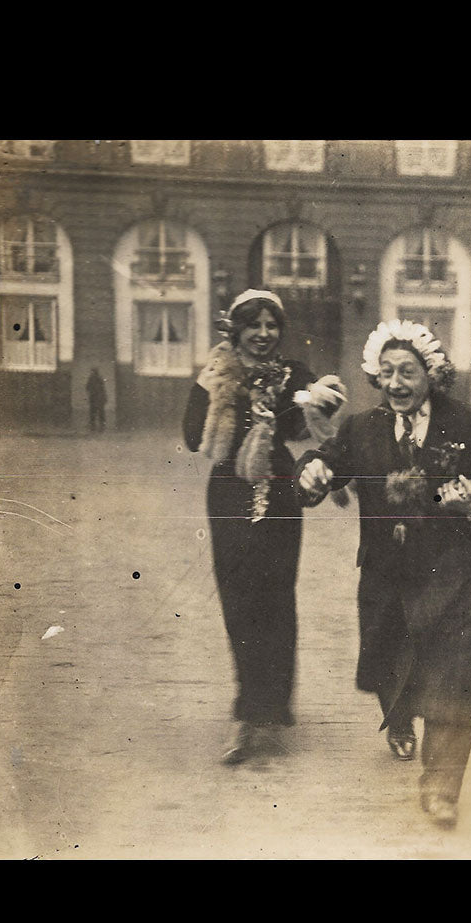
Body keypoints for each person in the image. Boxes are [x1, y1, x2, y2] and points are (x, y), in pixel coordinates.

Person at [296, 319, 471, 829]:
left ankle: (443, 786)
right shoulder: (363, 428)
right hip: (388, 574)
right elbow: (325, 462)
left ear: (433, 373)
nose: (396, 383)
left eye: (407, 372)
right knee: (391, 659)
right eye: (387, 373)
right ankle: (399, 719)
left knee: (454, 675)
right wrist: (312, 473)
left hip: (459, 573)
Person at [183, 289, 346, 765]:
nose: (263, 334)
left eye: (271, 325)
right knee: (238, 597)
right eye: (253, 325)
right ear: (236, 330)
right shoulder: (219, 371)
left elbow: (317, 420)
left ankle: (272, 702)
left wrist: (315, 400)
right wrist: (210, 385)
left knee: (276, 594)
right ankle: (247, 706)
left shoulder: (294, 372)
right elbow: (193, 436)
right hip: (230, 490)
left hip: (279, 491)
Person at [86, 367, 107, 432]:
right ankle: (100, 424)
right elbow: (103, 389)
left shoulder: (91, 378)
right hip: (98, 398)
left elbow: (87, 387)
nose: (91, 373)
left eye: (92, 372)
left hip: (95, 397)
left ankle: (94, 424)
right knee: (99, 411)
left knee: (94, 411)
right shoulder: (99, 378)